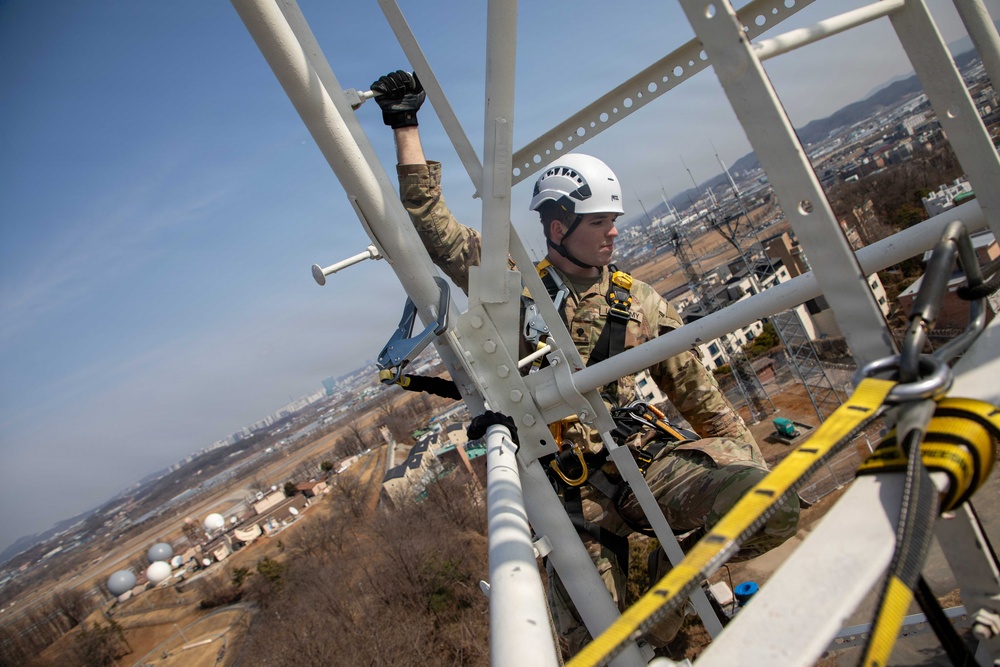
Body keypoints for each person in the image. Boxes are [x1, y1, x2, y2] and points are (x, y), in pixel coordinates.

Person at [370, 69, 799, 653]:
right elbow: (434, 227)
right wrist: (405, 126)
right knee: (604, 649)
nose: (613, 235)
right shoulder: (512, 285)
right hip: (573, 492)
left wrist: (748, 469)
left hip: (649, 465)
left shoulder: (640, 303)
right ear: (557, 227)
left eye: (612, 221)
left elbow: (704, 401)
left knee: (772, 511)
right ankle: (659, 608)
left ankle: (666, 585)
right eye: (599, 223)